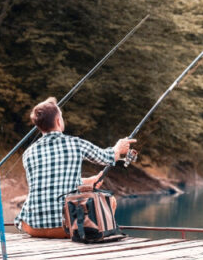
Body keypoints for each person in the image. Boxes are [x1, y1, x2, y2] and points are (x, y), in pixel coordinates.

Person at [14, 97, 135, 238]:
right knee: (110, 201)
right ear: (59, 121)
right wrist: (119, 147)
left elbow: (50, 182)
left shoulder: (28, 153)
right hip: (66, 228)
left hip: (33, 227)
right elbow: (107, 157)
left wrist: (87, 181)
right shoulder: (75, 144)